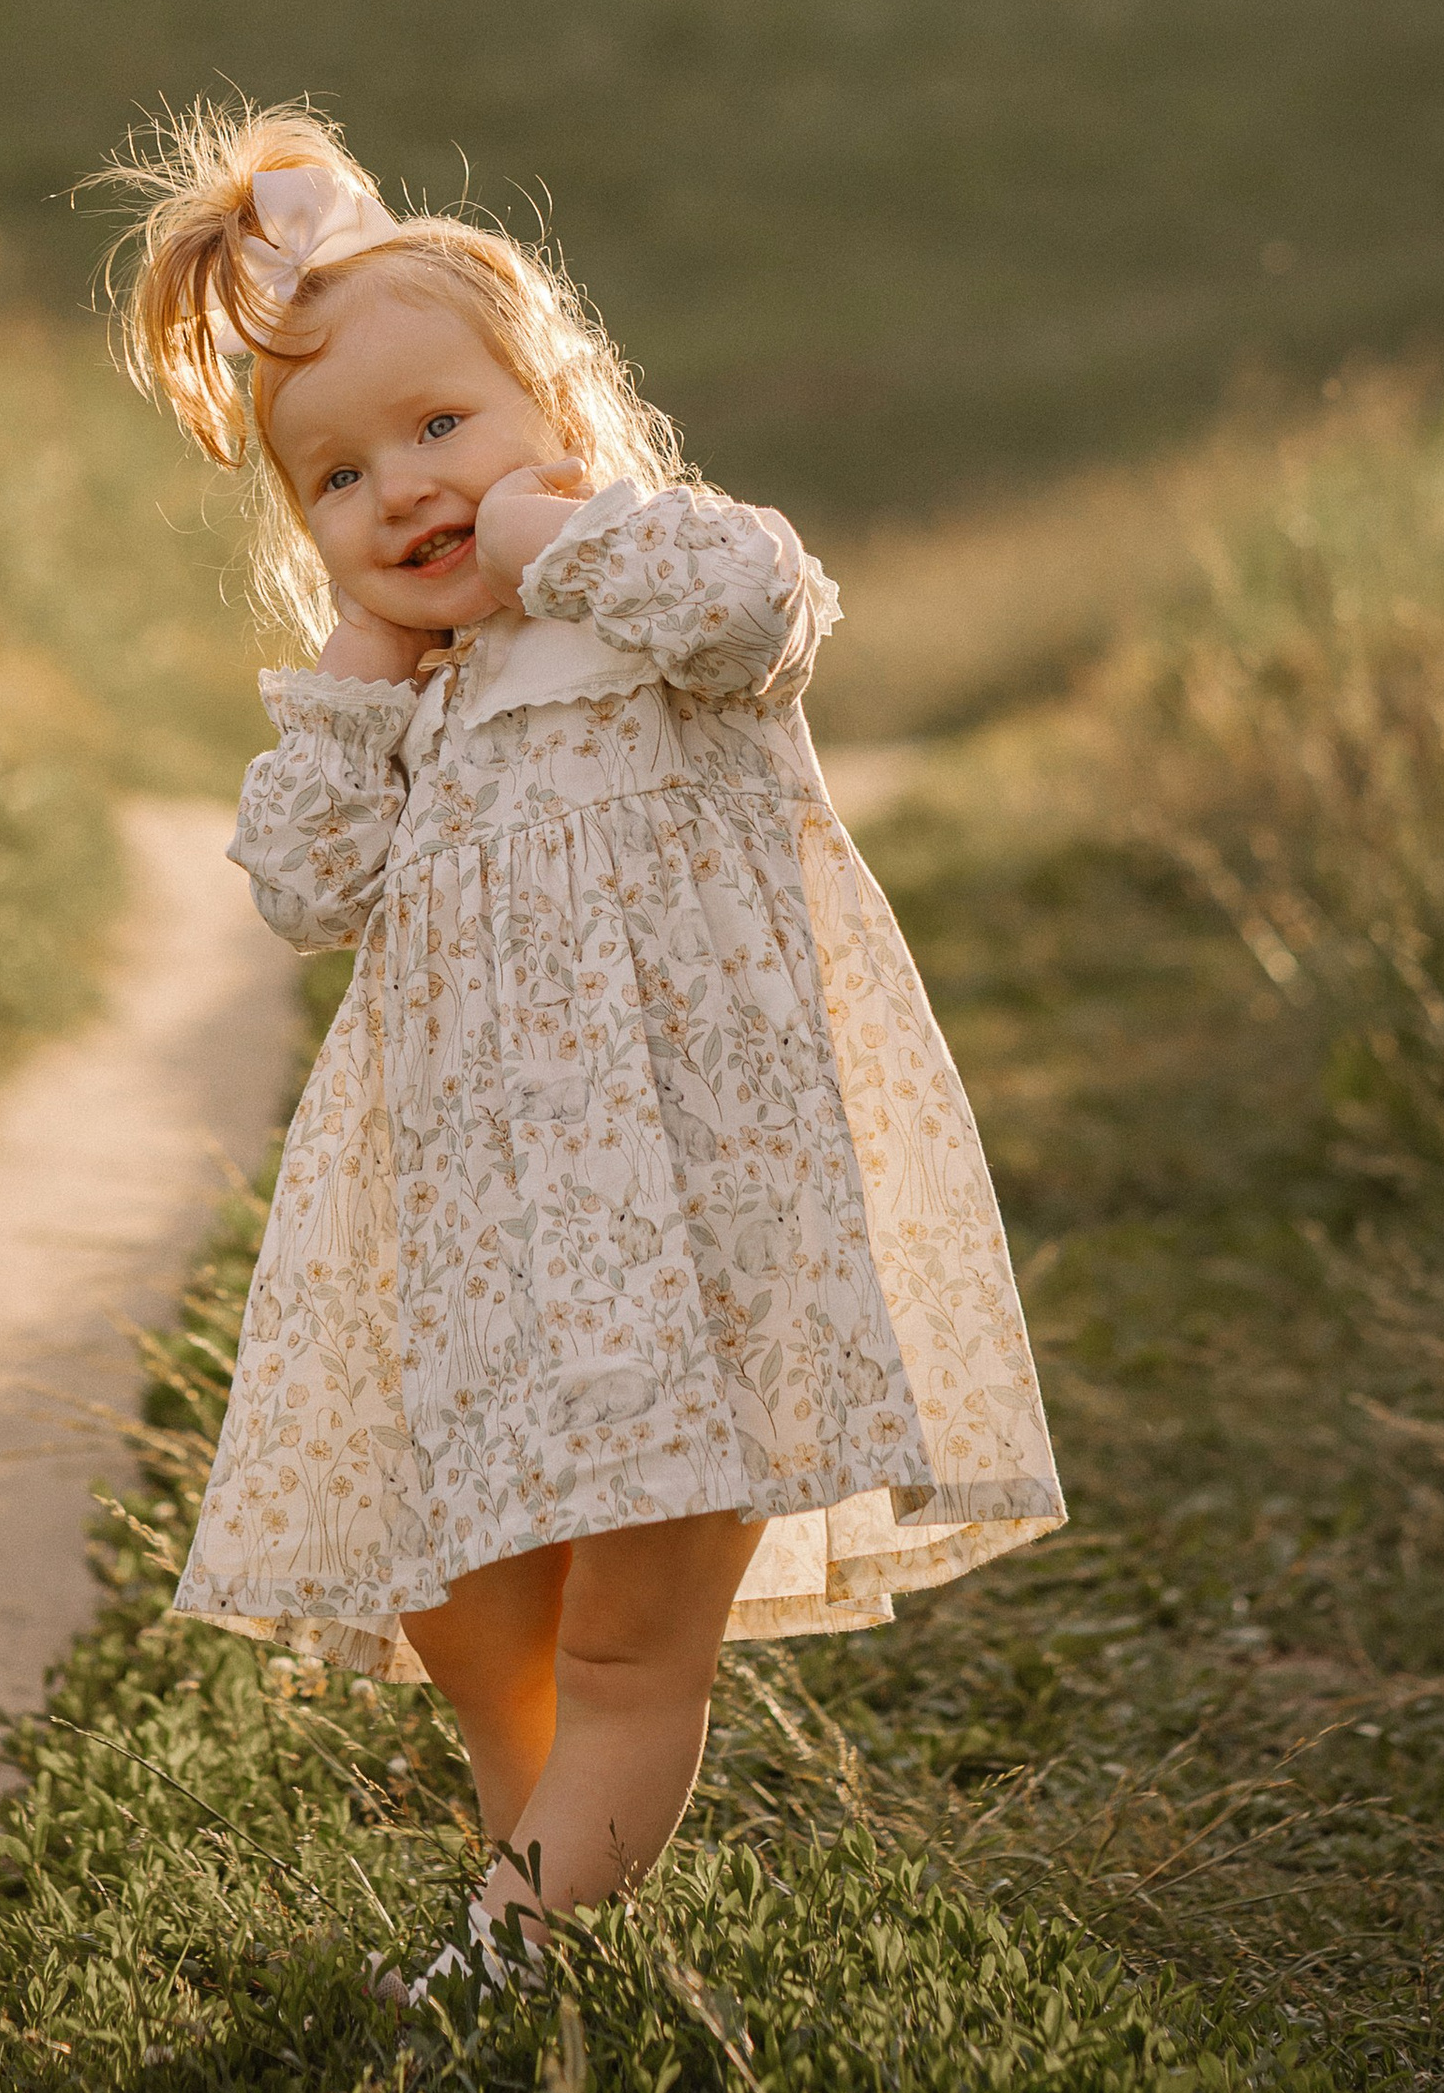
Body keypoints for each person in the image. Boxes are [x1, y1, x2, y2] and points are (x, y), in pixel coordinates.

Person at [106, 101, 1062, 1992]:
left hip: (691, 1239)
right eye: (337, 482)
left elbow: (769, 606)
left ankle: (511, 1946)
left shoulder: (650, 594)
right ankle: (550, 1901)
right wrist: (359, 690)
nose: (403, 494)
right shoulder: (421, 707)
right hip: (491, 1249)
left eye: (442, 429)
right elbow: (302, 889)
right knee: (469, 1613)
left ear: (559, 398)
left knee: (629, 1639)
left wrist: (561, 536)